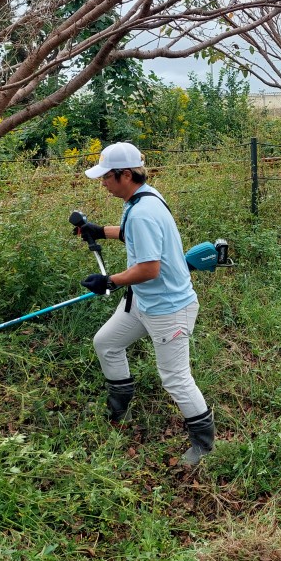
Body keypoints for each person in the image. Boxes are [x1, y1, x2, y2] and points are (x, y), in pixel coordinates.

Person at [74, 142, 215, 467]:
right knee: (106, 343)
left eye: (106, 177)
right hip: (144, 302)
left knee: (175, 377)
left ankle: (203, 446)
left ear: (124, 174)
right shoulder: (143, 198)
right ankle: (119, 408)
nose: (103, 183)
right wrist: (100, 231)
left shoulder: (143, 212)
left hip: (169, 308)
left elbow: (150, 268)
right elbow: (134, 235)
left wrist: (109, 281)